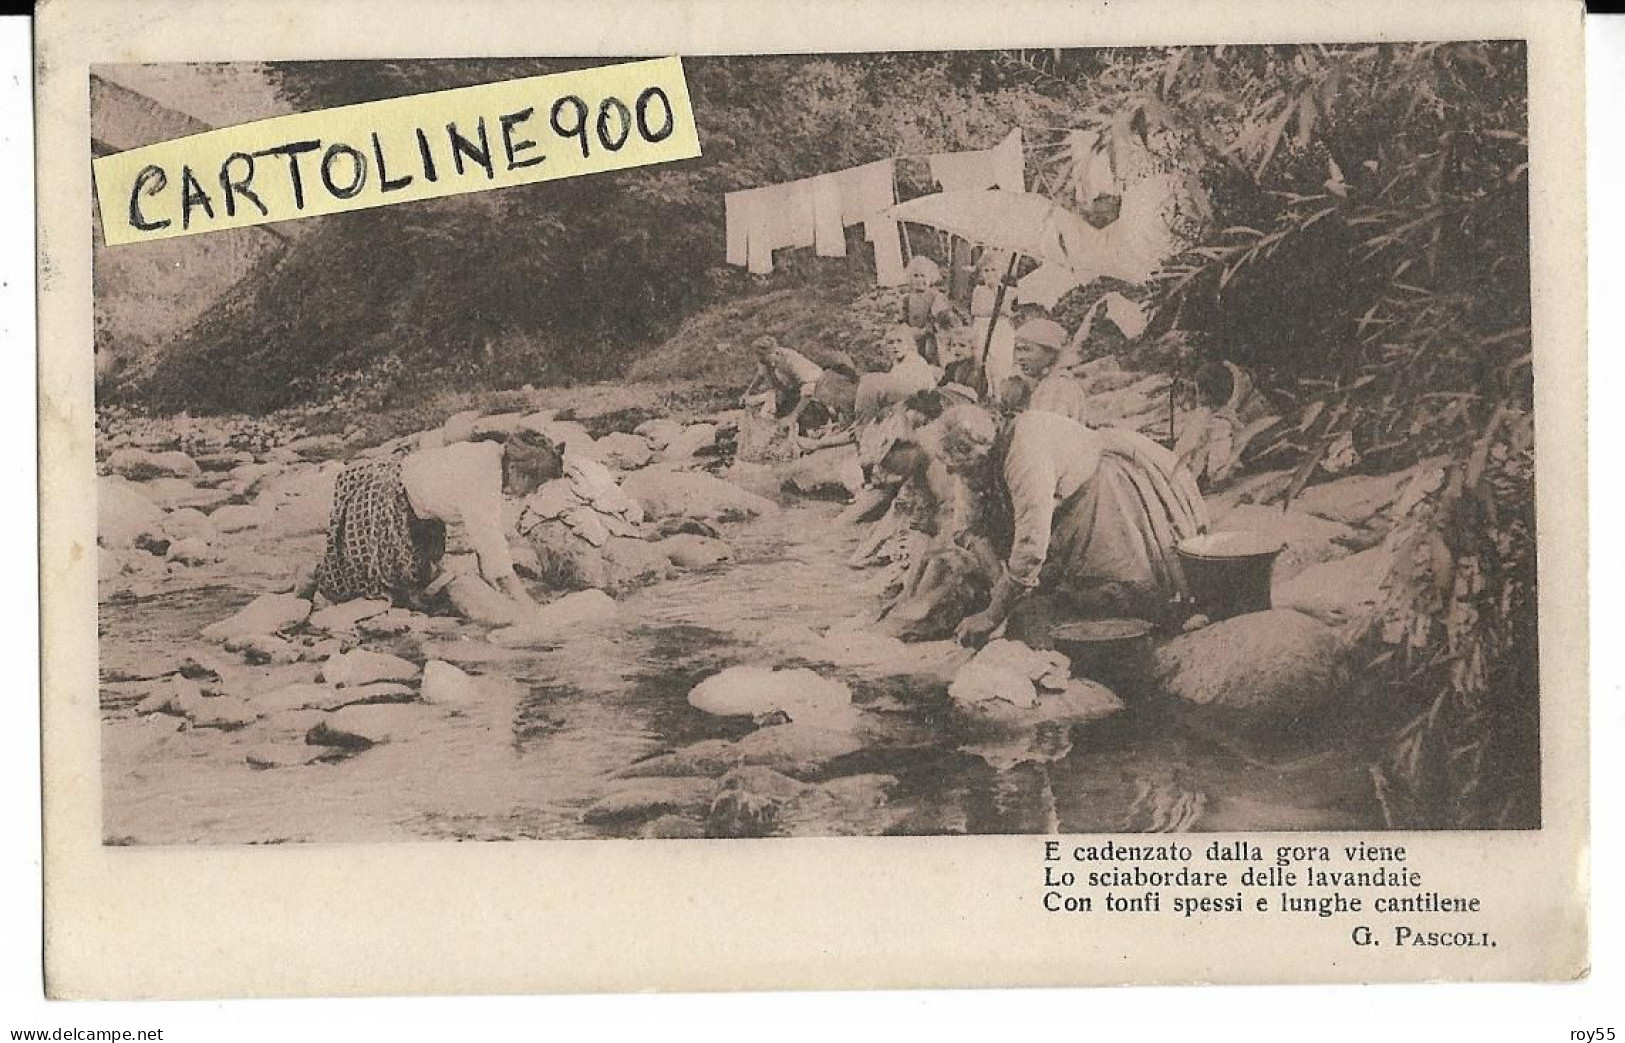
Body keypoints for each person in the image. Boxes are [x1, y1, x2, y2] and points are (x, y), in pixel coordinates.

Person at [920, 405, 1210, 648]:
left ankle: (1172, 617)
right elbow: (968, 528)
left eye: (959, 466)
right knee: (1051, 586)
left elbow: (1031, 546)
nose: (952, 474)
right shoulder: (968, 464)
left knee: (1117, 576)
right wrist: (999, 584)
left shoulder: (1024, 450)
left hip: (1098, 485)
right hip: (1061, 501)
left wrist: (992, 615)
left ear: (976, 451)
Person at [310, 428, 563, 613]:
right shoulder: (482, 476)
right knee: (373, 581)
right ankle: (317, 586)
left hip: (415, 501)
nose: (530, 493)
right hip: (385, 496)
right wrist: (525, 604)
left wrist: (494, 586)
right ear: (516, 471)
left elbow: (483, 543)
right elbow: (491, 542)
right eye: (532, 485)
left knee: (419, 578)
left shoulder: (492, 454)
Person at [854, 325, 943, 420]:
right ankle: (864, 420)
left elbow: (919, 387)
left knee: (870, 382)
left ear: (909, 343)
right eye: (891, 343)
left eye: (899, 341)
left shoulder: (915, 360)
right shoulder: (898, 363)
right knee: (868, 381)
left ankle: (863, 421)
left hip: (920, 397)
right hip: (908, 396)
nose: (895, 346)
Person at [1014, 317, 1092, 423]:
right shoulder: (1053, 383)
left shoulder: (1056, 388)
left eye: (1027, 349)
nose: (1019, 357)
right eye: (1018, 350)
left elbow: (1047, 434)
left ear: (1050, 352)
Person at [742, 335, 826, 428]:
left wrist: (793, 416)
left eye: (767, 360)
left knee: (806, 421)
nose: (767, 364)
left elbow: (808, 390)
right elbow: (761, 374)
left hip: (818, 393)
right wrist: (748, 392)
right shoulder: (765, 360)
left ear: (776, 353)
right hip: (793, 392)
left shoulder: (793, 360)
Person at [901, 256, 957, 365]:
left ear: (930, 278)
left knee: (929, 354)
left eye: (923, 276)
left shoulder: (935, 296)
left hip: (930, 336)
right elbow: (903, 318)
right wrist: (907, 329)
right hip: (912, 335)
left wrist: (924, 331)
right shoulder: (907, 298)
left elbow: (935, 318)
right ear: (910, 278)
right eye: (915, 276)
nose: (919, 280)